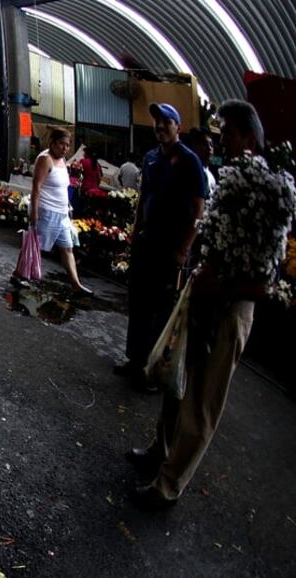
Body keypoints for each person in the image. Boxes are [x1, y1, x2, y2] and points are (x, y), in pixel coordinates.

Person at [126, 100, 296, 509]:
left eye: (230, 134)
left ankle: (168, 485)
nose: (223, 143)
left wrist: (224, 283)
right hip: (204, 294)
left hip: (231, 307)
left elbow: (268, 281)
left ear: (250, 137)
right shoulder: (233, 179)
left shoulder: (273, 194)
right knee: (175, 375)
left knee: (202, 399)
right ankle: (159, 449)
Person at [115, 102, 209, 390]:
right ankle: (135, 359)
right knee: (139, 302)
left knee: (161, 309)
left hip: (170, 249)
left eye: (166, 122)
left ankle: (152, 369)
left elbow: (198, 209)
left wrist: (183, 249)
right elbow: (144, 196)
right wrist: (135, 231)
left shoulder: (190, 161)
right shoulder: (152, 157)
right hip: (146, 242)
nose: (160, 127)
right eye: (157, 121)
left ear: (177, 126)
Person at [13, 128, 91, 294]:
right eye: (62, 144)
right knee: (34, 245)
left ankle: (76, 284)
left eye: (68, 145)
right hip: (46, 212)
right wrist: (34, 212)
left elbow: (63, 188)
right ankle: (18, 274)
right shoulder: (44, 159)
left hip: (62, 214)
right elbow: (36, 188)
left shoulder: (62, 161)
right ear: (53, 143)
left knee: (67, 248)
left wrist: (68, 209)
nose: (65, 148)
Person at [186, 128, 218, 196]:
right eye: (205, 144)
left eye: (211, 145)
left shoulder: (211, 176)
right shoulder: (190, 173)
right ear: (194, 147)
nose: (210, 148)